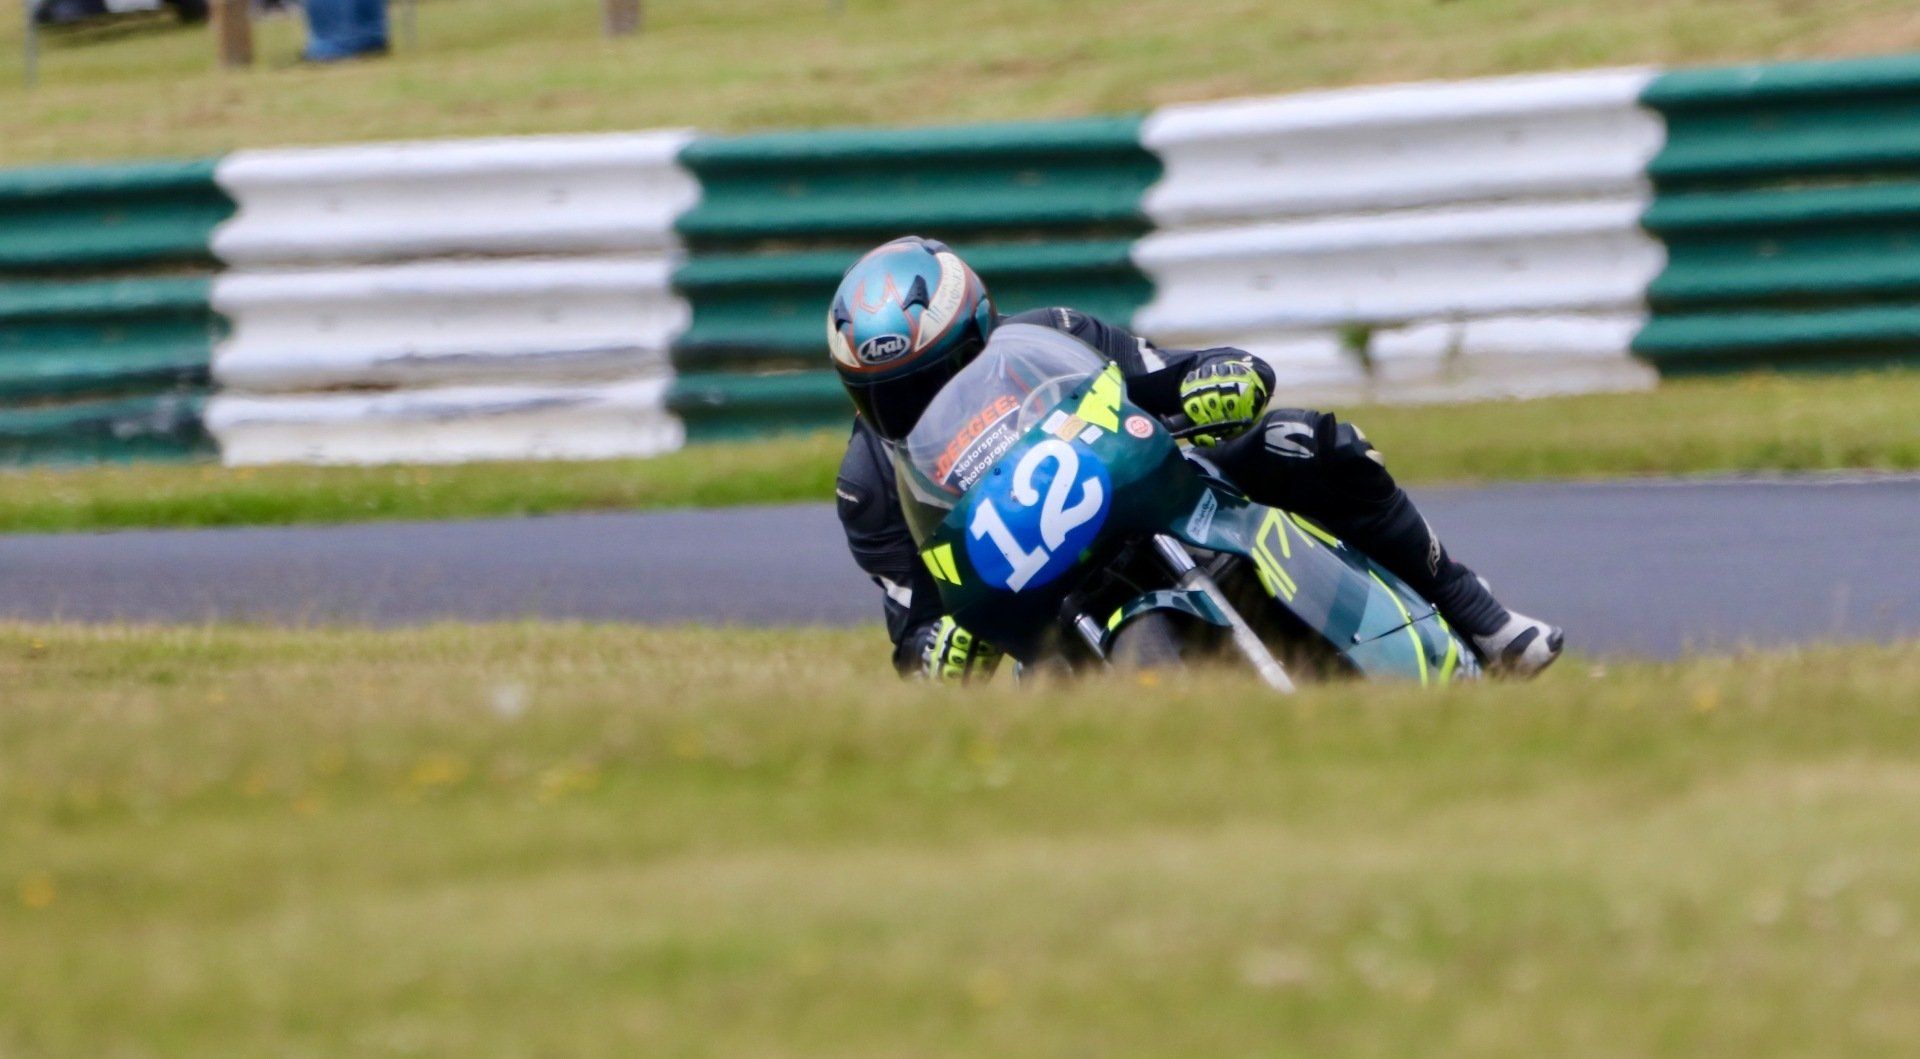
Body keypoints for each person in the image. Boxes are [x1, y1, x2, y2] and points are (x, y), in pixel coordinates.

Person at [830, 235, 1563, 682]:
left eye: (942, 373)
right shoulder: (868, 488)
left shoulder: (1056, 331)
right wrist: (943, 651)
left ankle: (1484, 620)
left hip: (1159, 495)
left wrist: (1218, 376)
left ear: (981, 334)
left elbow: (1161, 376)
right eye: (893, 398)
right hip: (1042, 616)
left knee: (1305, 442)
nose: (927, 403)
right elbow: (914, 638)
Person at [300, 0, 388, 63]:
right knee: (369, 34)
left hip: (335, 43)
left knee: (334, 42)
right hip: (373, 37)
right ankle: (368, 36)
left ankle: (336, 41)